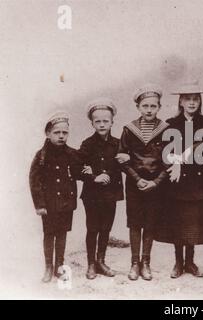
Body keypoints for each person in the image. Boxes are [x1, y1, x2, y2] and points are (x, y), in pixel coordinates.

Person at [156, 80, 203, 279]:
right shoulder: (171, 125)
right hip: (177, 182)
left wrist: (182, 159)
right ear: (180, 102)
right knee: (178, 223)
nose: (192, 103)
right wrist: (174, 162)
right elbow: (163, 152)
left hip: (197, 181)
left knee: (193, 223)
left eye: (195, 99)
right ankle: (178, 262)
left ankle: (190, 262)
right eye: (187, 99)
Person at [117, 85, 169, 281]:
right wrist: (137, 179)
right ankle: (134, 263)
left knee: (150, 223)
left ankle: (146, 263)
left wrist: (156, 182)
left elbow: (169, 161)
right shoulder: (129, 130)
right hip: (135, 185)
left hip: (155, 186)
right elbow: (122, 159)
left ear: (159, 107)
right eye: (145, 106)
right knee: (135, 224)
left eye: (153, 106)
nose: (149, 110)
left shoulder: (166, 130)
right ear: (138, 107)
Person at [29, 111, 81, 283]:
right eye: (56, 132)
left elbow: (79, 171)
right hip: (49, 204)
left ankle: (59, 265)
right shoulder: (42, 155)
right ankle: (48, 267)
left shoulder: (72, 154)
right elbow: (34, 180)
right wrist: (40, 205)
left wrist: (87, 171)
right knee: (49, 234)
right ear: (48, 134)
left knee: (62, 234)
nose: (61, 136)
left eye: (64, 133)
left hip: (66, 202)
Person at [77, 98, 124, 280]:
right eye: (98, 121)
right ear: (92, 123)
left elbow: (122, 164)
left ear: (112, 122)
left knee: (106, 228)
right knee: (93, 228)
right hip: (92, 195)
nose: (102, 124)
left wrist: (109, 173)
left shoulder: (118, 143)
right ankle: (91, 264)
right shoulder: (88, 144)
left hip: (111, 193)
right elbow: (76, 168)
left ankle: (101, 261)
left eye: (106, 121)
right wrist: (93, 176)